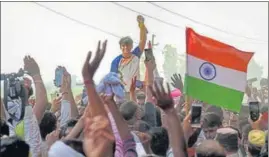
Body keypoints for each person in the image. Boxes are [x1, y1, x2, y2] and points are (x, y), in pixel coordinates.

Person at [110, 15, 147, 92]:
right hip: (122, 94)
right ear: (120, 47)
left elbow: (142, 41)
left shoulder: (136, 55)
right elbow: (113, 79)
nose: (125, 48)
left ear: (131, 46)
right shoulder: (116, 61)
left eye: (128, 45)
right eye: (123, 46)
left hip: (136, 92)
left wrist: (141, 25)